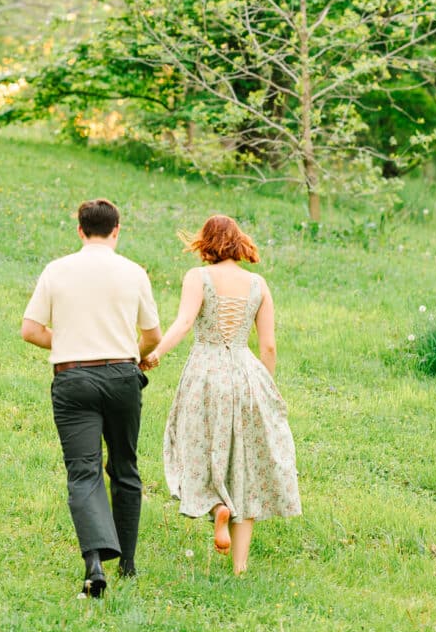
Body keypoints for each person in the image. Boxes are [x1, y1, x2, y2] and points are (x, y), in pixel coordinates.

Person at [143, 215, 301, 575]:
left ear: (206, 243)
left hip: (206, 372)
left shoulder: (198, 278)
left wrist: (154, 355)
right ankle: (240, 568)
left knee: (196, 447)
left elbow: (184, 323)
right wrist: (266, 388)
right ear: (238, 242)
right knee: (244, 467)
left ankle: (216, 508)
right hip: (247, 376)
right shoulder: (258, 284)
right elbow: (269, 345)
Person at [21, 198, 161, 597]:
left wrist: (66, 340)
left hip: (72, 379)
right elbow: (152, 335)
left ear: (80, 230)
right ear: (117, 230)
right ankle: (129, 564)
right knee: (125, 466)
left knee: (83, 472)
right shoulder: (133, 272)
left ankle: (94, 565)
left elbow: (30, 329)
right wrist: (139, 352)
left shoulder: (57, 270)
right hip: (121, 375)